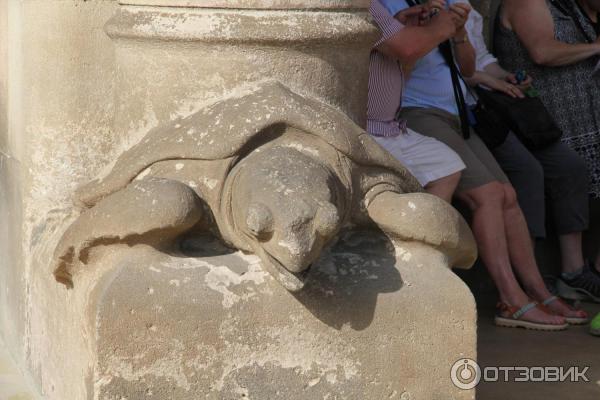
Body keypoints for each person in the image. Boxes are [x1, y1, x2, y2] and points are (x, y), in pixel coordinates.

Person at [382, 0, 573, 330]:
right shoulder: (390, 3)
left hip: (457, 112)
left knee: (507, 195)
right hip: (417, 111)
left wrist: (457, 33)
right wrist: (433, 26)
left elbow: (467, 69)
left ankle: (538, 290)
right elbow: (402, 54)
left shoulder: (447, 3)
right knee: (487, 194)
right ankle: (511, 299)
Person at [463, 5, 589, 322]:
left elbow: (479, 60)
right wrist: (488, 80)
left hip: (490, 104)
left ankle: (557, 278)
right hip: (466, 109)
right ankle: (522, 289)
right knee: (513, 181)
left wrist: (503, 77)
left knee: (563, 168)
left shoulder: (463, 7)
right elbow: (450, 68)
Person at [494, 0, 600, 299]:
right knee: (567, 171)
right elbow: (543, 52)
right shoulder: (527, 2)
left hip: (582, 118)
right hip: (551, 121)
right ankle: (572, 273)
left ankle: (582, 272)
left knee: (571, 172)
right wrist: (595, 48)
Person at [368, 0, 467, 203]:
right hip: (365, 129)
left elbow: (404, 63)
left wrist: (408, 29)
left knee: (445, 165)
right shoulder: (362, 4)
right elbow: (407, 47)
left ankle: (419, 231)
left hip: (389, 127)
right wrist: (441, 27)